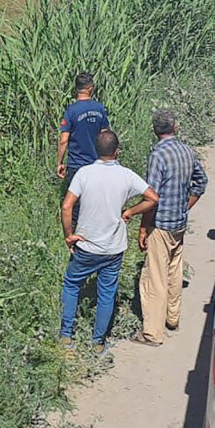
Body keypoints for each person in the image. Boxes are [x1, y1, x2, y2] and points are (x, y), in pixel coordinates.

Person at [60, 130, 159, 355]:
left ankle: (66, 335)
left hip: (86, 243)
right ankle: (98, 343)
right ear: (117, 151)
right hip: (113, 247)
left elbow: (67, 207)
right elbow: (153, 198)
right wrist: (131, 211)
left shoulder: (84, 173)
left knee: (72, 284)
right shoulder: (127, 175)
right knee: (106, 293)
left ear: (97, 150)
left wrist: (69, 235)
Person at [131, 109, 208, 347]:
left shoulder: (158, 156)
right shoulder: (186, 151)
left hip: (161, 224)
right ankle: (172, 318)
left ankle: (152, 333)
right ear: (174, 127)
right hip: (179, 223)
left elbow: (151, 197)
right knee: (174, 270)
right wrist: (186, 206)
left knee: (154, 277)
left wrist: (143, 228)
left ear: (155, 131)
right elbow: (201, 181)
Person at [57, 72, 109, 223]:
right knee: (95, 202)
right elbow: (105, 135)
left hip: (76, 165)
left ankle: (74, 235)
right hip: (96, 163)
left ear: (76, 89)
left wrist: (59, 162)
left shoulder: (71, 110)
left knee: (75, 204)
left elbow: (63, 140)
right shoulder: (99, 108)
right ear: (90, 89)